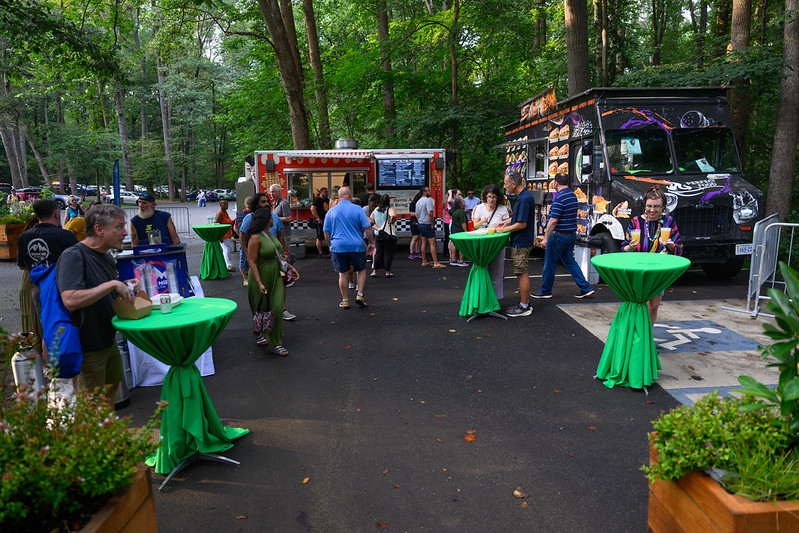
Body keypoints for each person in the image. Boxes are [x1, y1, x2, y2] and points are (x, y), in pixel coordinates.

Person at [56, 205, 140, 400]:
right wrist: (112, 284)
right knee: (89, 410)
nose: (125, 232)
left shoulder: (105, 255)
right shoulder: (73, 256)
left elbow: (100, 288)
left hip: (107, 340)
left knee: (108, 399)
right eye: (119, 227)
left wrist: (123, 284)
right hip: (87, 347)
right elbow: (70, 299)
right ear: (99, 229)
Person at [17, 199, 79, 351]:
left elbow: (22, 266)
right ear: (57, 215)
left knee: (49, 330)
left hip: (39, 291)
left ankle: (53, 369)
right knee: (71, 328)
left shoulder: (24, 237)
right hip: (64, 291)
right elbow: (79, 264)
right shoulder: (65, 236)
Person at [621, 185, 683, 325]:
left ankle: (647, 335)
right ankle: (640, 336)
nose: (652, 210)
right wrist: (629, 247)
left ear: (663, 207)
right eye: (649, 206)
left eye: (656, 206)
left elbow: (679, 249)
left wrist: (670, 244)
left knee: (654, 306)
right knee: (642, 304)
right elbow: (623, 247)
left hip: (658, 270)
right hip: (638, 269)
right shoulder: (636, 222)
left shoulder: (669, 222)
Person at [531, 173, 595, 300]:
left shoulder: (559, 197)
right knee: (570, 262)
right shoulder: (572, 196)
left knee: (549, 263)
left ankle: (545, 291)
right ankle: (585, 288)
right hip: (570, 235)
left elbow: (553, 220)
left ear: (556, 183)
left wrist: (545, 238)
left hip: (558, 236)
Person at [246, 207, 298, 356]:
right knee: (261, 310)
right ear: (264, 219)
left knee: (276, 308)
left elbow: (277, 255)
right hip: (260, 277)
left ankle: (276, 342)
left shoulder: (269, 233)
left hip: (275, 275)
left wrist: (289, 267)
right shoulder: (255, 237)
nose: (273, 219)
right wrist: (259, 282)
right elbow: (251, 261)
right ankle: (259, 333)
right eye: (271, 217)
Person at [241, 192, 294, 320]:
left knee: (279, 284)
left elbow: (280, 236)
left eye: (267, 202)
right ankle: (262, 318)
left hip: (274, 256)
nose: (265, 204)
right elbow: (242, 238)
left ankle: (282, 309)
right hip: (259, 259)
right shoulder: (250, 218)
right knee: (262, 291)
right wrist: (248, 255)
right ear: (256, 204)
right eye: (262, 202)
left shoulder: (274, 217)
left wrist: (284, 253)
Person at [323, 186, 375, 308]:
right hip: (357, 245)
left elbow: (326, 232)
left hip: (338, 246)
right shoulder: (358, 209)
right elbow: (367, 227)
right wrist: (371, 243)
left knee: (342, 274)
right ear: (350, 195)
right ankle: (360, 295)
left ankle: (345, 300)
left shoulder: (331, 211)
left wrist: (330, 245)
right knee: (361, 270)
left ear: (339, 197)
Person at [495, 171, 536, 317]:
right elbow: (517, 218)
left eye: (506, 184)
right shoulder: (522, 197)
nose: (504, 186)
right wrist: (506, 222)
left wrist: (504, 230)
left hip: (521, 242)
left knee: (521, 273)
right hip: (520, 241)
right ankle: (524, 303)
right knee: (520, 272)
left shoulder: (524, 199)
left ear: (514, 184)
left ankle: (524, 306)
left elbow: (521, 224)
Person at [473, 184, 511, 298]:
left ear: (498, 197)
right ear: (485, 196)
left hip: (497, 244)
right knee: (482, 271)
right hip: (482, 244)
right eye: (489, 196)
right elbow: (474, 226)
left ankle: (496, 300)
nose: (491, 199)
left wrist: (501, 229)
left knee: (497, 273)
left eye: (494, 197)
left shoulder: (503, 209)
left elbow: (506, 226)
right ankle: (482, 299)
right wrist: (482, 222)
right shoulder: (479, 208)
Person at [415, 186, 446, 268]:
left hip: (420, 224)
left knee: (424, 242)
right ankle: (436, 263)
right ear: (424, 192)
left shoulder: (418, 202)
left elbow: (416, 214)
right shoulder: (428, 201)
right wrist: (432, 223)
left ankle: (424, 261)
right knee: (433, 244)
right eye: (428, 191)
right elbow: (430, 213)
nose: (430, 192)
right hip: (427, 224)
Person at [369, 194, 397, 278]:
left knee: (378, 253)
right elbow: (393, 215)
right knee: (388, 253)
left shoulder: (376, 210)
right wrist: (391, 222)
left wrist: (377, 228)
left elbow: (370, 221)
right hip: (388, 235)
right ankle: (387, 272)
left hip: (379, 234)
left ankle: (374, 271)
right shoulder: (390, 209)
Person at [235, 196, 253, 286]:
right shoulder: (242, 215)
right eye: (248, 204)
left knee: (249, 258)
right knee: (243, 258)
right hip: (245, 240)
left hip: (251, 240)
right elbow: (235, 227)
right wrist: (241, 236)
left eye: (250, 204)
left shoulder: (254, 214)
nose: (249, 205)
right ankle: (245, 278)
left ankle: (249, 276)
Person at [214, 199, 237, 272]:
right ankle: (228, 265)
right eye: (224, 204)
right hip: (223, 235)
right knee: (227, 249)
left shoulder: (225, 213)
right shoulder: (220, 214)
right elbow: (216, 224)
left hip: (228, 234)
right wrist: (219, 236)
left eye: (227, 204)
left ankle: (227, 264)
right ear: (220, 205)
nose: (226, 205)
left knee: (227, 249)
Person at [270, 184, 292, 251]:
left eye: (273, 192)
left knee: (284, 254)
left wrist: (274, 218)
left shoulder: (283, 203)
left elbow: (288, 218)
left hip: (284, 234)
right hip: (278, 234)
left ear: (279, 192)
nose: (271, 194)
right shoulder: (275, 203)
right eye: (270, 192)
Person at [448, 197, 469, 266]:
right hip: (460, 231)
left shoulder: (453, 210)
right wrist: (466, 232)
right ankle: (461, 261)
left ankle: (453, 259)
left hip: (453, 229)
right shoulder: (461, 212)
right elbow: (463, 223)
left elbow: (449, 212)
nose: (464, 203)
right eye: (463, 201)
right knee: (461, 245)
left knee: (454, 244)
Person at [311, 187, 329, 257]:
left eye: (327, 192)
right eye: (325, 192)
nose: (326, 193)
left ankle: (329, 251)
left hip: (326, 221)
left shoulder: (327, 200)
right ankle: (320, 253)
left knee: (327, 235)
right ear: (321, 193)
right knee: (319, 237)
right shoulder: (317, 200)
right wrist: (318, 218)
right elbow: (312, 208)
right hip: (320, 221)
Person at [408, 189, 423, 259]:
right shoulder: (413, 204)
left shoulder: (421, 204)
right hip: (414, 222)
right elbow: (411, 213)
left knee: (420, 237)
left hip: (420, 221)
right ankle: (411, 253)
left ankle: (418, 252)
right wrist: (416, 214)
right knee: (415, 237)